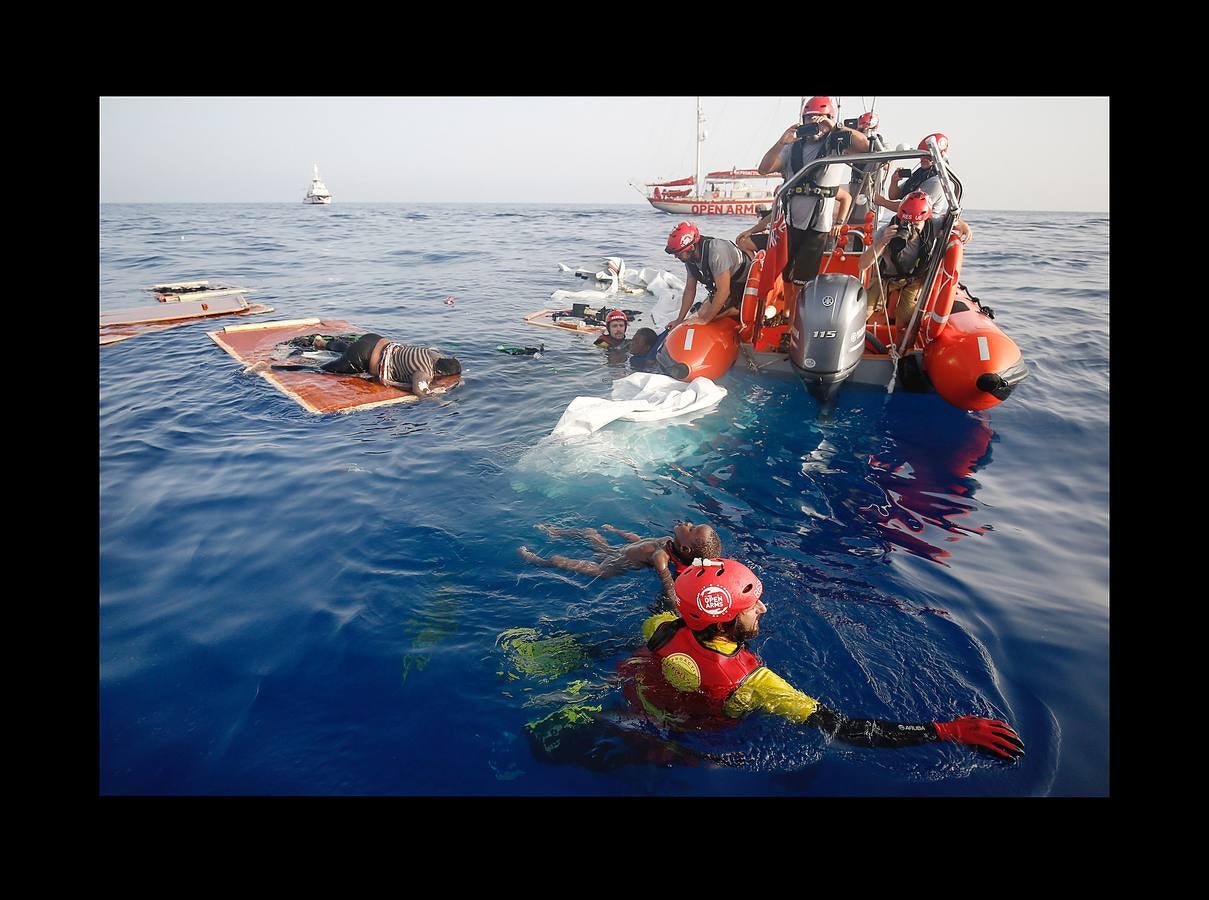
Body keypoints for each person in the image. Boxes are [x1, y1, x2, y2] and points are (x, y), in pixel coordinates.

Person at [621, 558, 1026, 760]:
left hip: (634, 707)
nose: (762, 608)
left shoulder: (660, 627)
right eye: (751, 605)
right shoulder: (754, 681)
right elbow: (847, 729)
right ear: (725, 622)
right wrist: (948, 729)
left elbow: (673, 604)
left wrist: (667, 568)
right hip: (692, 745)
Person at [756, 96, 867, 295]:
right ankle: (787, 314)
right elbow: (764, 169)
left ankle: (794, 322)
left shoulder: (837, 144)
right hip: (791, 221)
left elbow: (866, 146)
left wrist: (835, 127)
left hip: (818, 225)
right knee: (787, 273)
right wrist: (781, 142)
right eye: (810, 118)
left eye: (819, 118)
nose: (814, 123)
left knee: (803, 279)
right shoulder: (792, 147)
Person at [519, 520, 722, 601]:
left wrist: (673, 604)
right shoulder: (669, 541)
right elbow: (641, 541)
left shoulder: (661, 558)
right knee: (590, 533)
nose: (688, 523)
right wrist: (617, 531)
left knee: (566, 561)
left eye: (692, 529)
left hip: (610, 566)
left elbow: (668, 584)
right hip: (616, 551)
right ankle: (555, 533)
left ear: (685, 547)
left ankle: (539, 561)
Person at [248, 332, 461, 398]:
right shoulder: (424, 372)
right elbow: (420, 393)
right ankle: (270, 368)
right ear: (439, 371)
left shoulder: (432, 353)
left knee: (347, 348)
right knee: (324, 371)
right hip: (363, 358)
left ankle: (322, 342)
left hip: (376, 340)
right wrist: (441, 402)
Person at [858, 189, 956, 325]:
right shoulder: (887, 230)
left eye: (915, 224)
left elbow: (953, 219)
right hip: (885, 277)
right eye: (905, 223)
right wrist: (883, 242)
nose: (910, 228)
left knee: (905, 322)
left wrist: (962, 226)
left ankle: (900, 345)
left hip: (913, 279)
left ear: (926, 219)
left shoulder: (933, 224)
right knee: (861, 314)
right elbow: (862, 265)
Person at [875, 132, 972, 244]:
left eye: (928, 156)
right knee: (878, 235)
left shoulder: (936, 182)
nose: (923, 159)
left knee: (880, 237)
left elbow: (912, 210)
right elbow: (894, 196)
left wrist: (881, 201)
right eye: (922, 156)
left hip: (921, 231)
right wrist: (894, 181)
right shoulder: (920, 174)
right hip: (905, 223)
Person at [664, 222, 751, 328]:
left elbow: (723, 291)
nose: (676, 257)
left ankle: (734, 311)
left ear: (691, 247)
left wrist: (704, 320)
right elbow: (690, 290)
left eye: (678, 253)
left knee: (707, 315)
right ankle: (727, 309)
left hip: (744, 283)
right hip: (728, 284)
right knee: (701, 312)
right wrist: (679, 319)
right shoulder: (689, 258)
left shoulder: (717, 252)